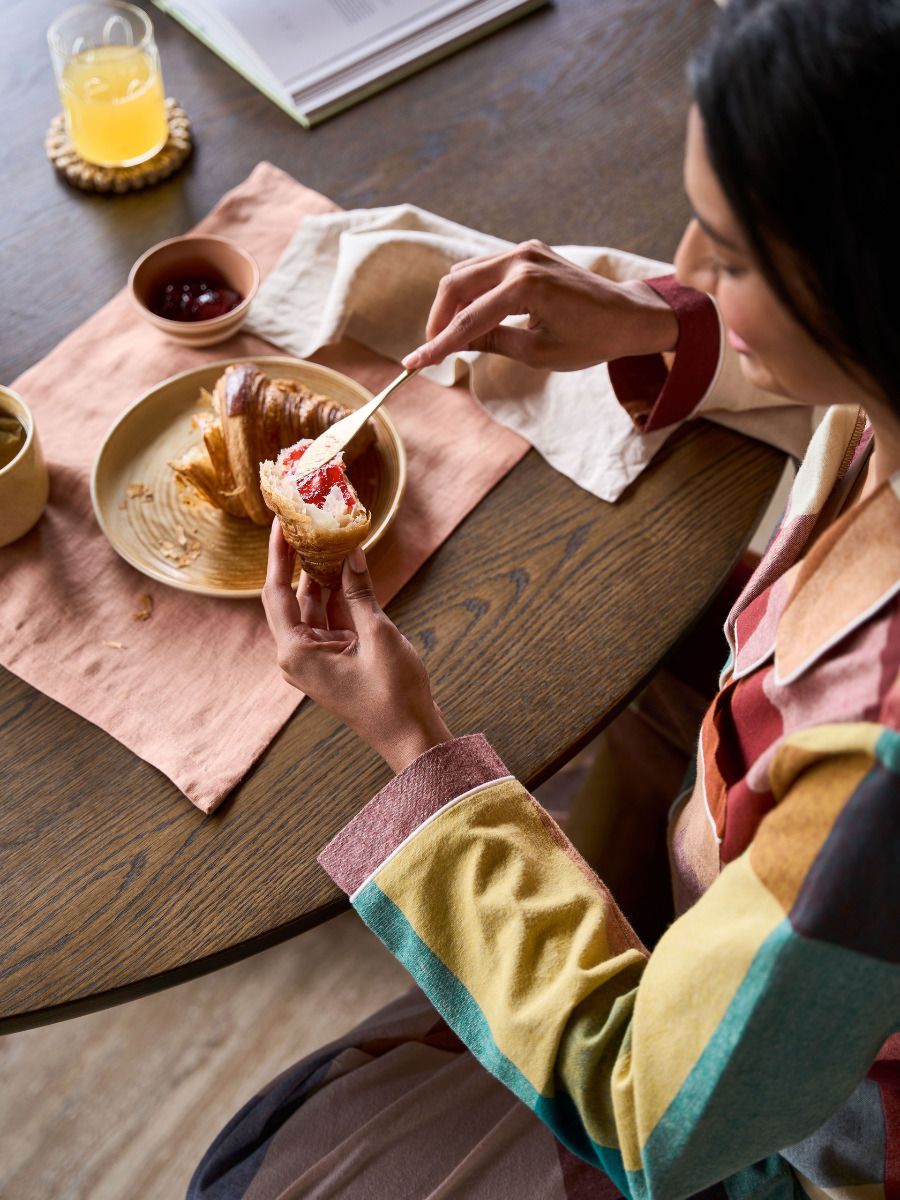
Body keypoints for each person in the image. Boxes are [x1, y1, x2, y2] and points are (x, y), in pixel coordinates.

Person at [189, 0, 900, 1196]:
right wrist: (655, 324)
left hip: (794, 1142)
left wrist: (411, 746)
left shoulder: (874, 762)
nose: (678, 266)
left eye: (727, 254)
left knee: (252, 1169)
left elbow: (651, 1115)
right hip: (740, 901)